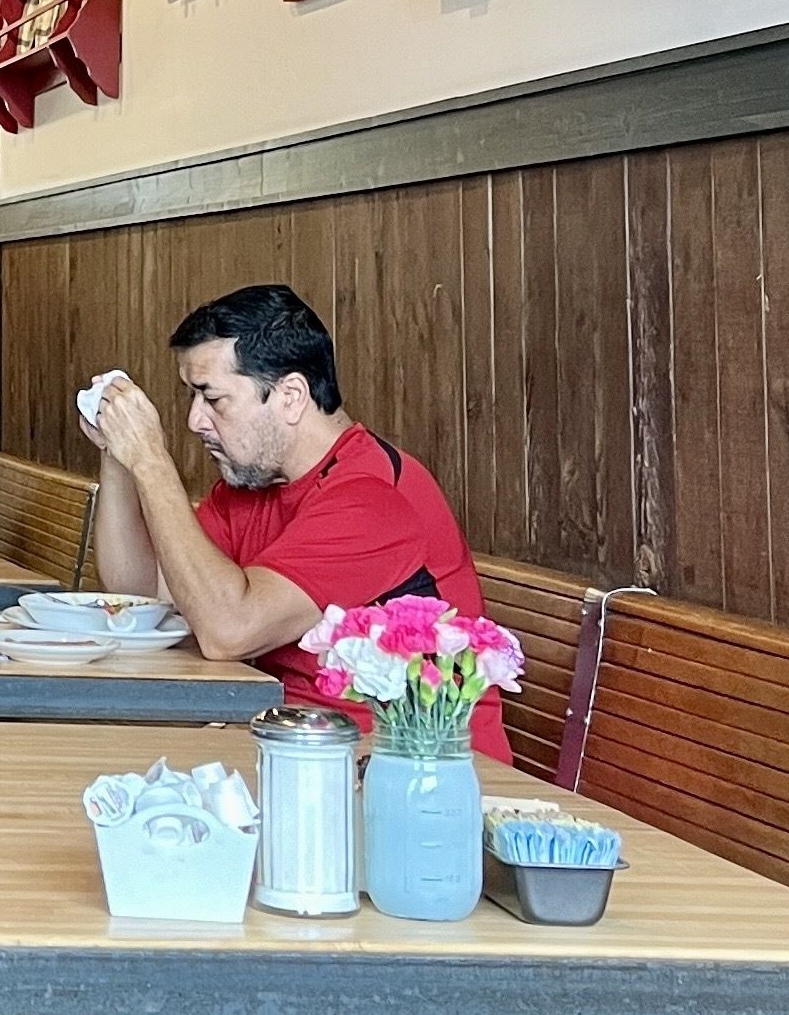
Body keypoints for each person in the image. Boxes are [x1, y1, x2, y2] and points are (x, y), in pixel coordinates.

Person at [84, 283, 511, 759]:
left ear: (290, 395)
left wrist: (151, 460)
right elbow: (142, 592)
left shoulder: (372, 499)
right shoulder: (255, 484)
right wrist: (118, 456)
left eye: (213, 399)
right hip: (296, 742)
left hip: (411, 772)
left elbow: (230, 630)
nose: (194, 421)